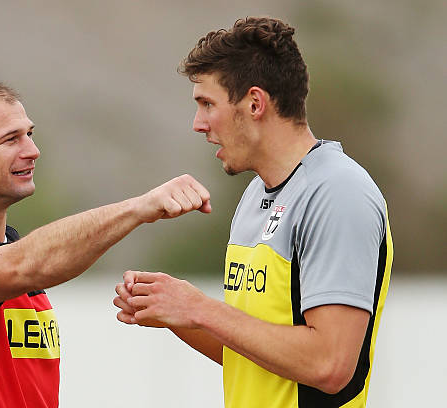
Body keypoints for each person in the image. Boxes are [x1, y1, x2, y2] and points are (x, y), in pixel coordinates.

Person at [0, 79, 211, 408]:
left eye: (29, 134)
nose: (32, 151)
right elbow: (29, 264)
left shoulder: (11, 250)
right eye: (11, 139)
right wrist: (137, 208)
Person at [114, 17, 393, 408]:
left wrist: (199, 307)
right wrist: (173, 310)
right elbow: (253, 355)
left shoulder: (338, 191)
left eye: (207, 104)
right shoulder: (254, 195)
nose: (198, 124)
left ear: (255, 104)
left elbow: (329, 365)